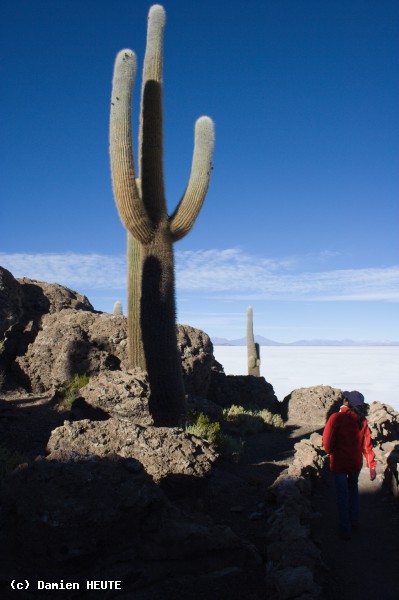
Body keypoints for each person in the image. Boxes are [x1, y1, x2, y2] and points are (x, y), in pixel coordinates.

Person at [322, 390, 377, 540]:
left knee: (342, 494)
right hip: (355, 463)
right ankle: (354, 520)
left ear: (347, 402)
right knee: (353, 489)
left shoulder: (336, 418)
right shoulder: (362, 420)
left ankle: (345, 528)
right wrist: (371, 466)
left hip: (339, 462)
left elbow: (327, 442)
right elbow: (367, 445)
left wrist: (330, 451)